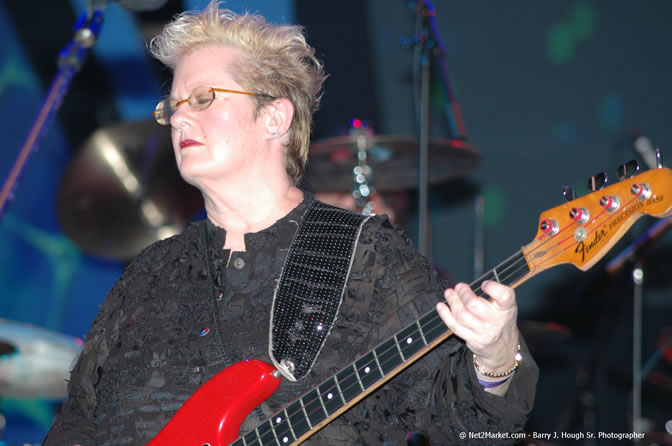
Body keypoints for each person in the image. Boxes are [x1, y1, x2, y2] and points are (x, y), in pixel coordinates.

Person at [43, 2, 538, 444]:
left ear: (275, 118)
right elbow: (78, 421)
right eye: (172, 105)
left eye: (202, 99)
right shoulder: (148, 273)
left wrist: (495, 357)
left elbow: (467, 427)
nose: (178, 119)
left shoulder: (366, 258)